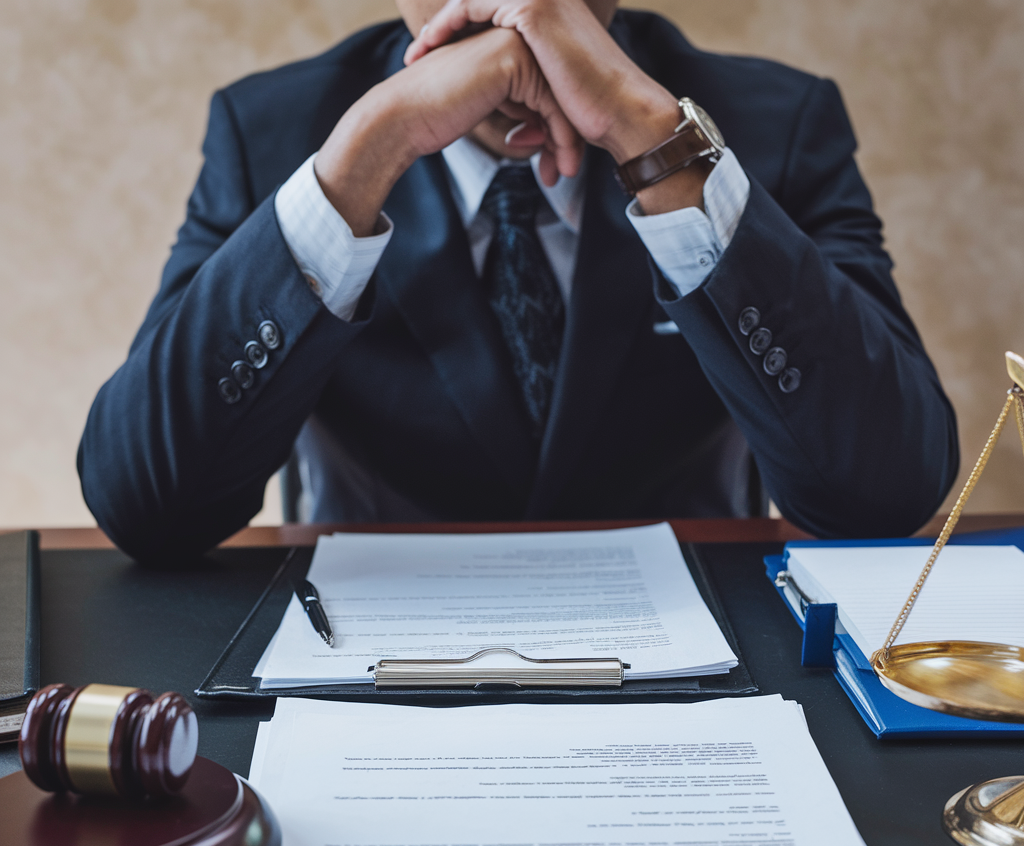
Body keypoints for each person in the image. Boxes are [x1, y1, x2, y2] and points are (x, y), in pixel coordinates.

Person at [78, 0, 958, 563]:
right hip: (363, 663)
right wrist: (370, 149)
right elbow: (147, 505)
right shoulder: (271, 130)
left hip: (707, 657)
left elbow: (886, 493)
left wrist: (657, 143)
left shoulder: (776, 123)